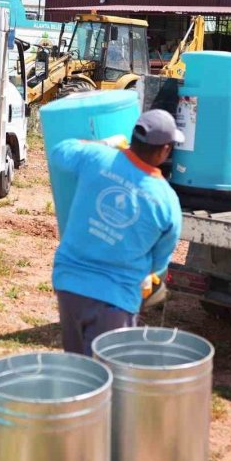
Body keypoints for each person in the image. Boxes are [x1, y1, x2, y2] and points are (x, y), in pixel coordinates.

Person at [48, 109, 184, 356]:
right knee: (105, 379)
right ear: (165, 149)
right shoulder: (167, 201)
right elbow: (159, 261)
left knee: (77, 370)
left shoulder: (97, 157)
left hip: (69, 284)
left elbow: (59, 151)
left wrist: (105, 143)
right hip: (116, 299)